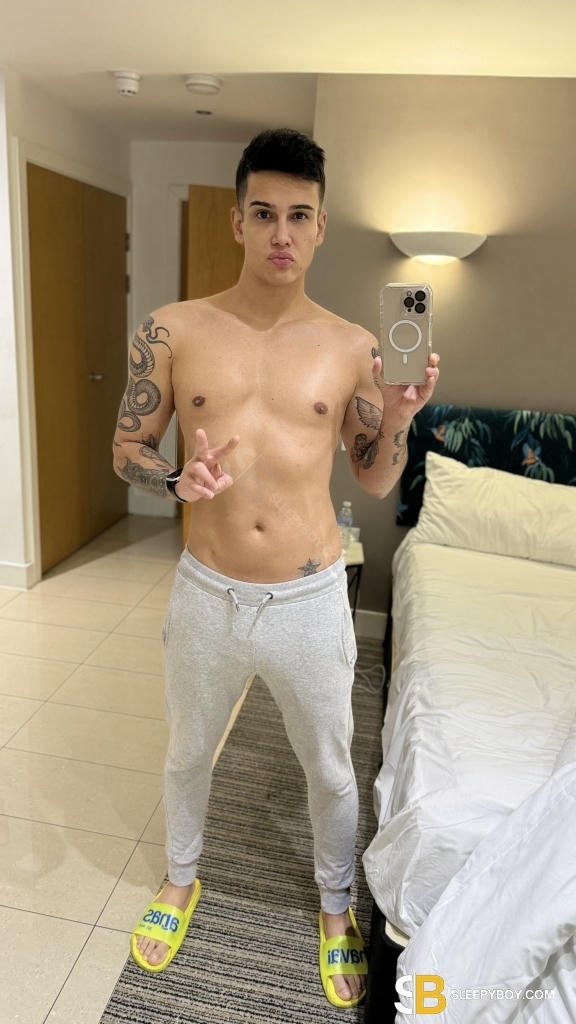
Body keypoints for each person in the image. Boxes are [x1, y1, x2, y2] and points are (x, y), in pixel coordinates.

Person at [112, 127, 440, 1008]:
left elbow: (374, 476)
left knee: (328, 766)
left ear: (321, 226)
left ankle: (334, 906)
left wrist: (398, 417)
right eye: (263, 214)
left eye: (299, 215)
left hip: (307, 596)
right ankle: (181, 877)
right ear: (238, 221)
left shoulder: (352, 347)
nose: (281, 233)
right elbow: (127, 447)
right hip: (207, 591)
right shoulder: (171, 329)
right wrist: (177, 479)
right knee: (188, 751)